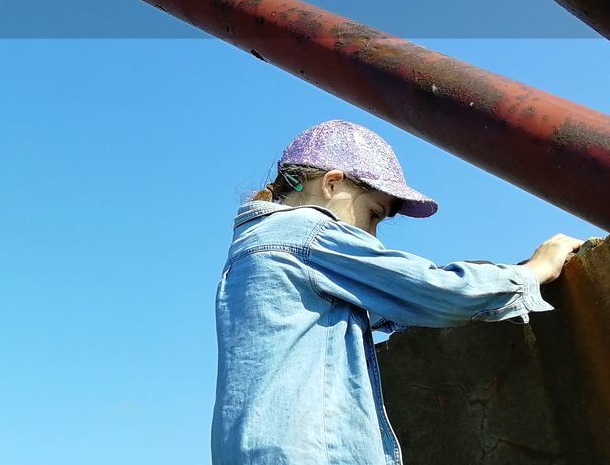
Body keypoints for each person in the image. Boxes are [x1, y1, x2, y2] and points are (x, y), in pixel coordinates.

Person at [211, 118, 587, 465]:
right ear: (331, 184)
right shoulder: (308, 233)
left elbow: (387, 307)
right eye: (374, 213)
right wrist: (532, 272)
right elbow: (433, 291)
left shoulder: (253, 248)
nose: (371, 236)